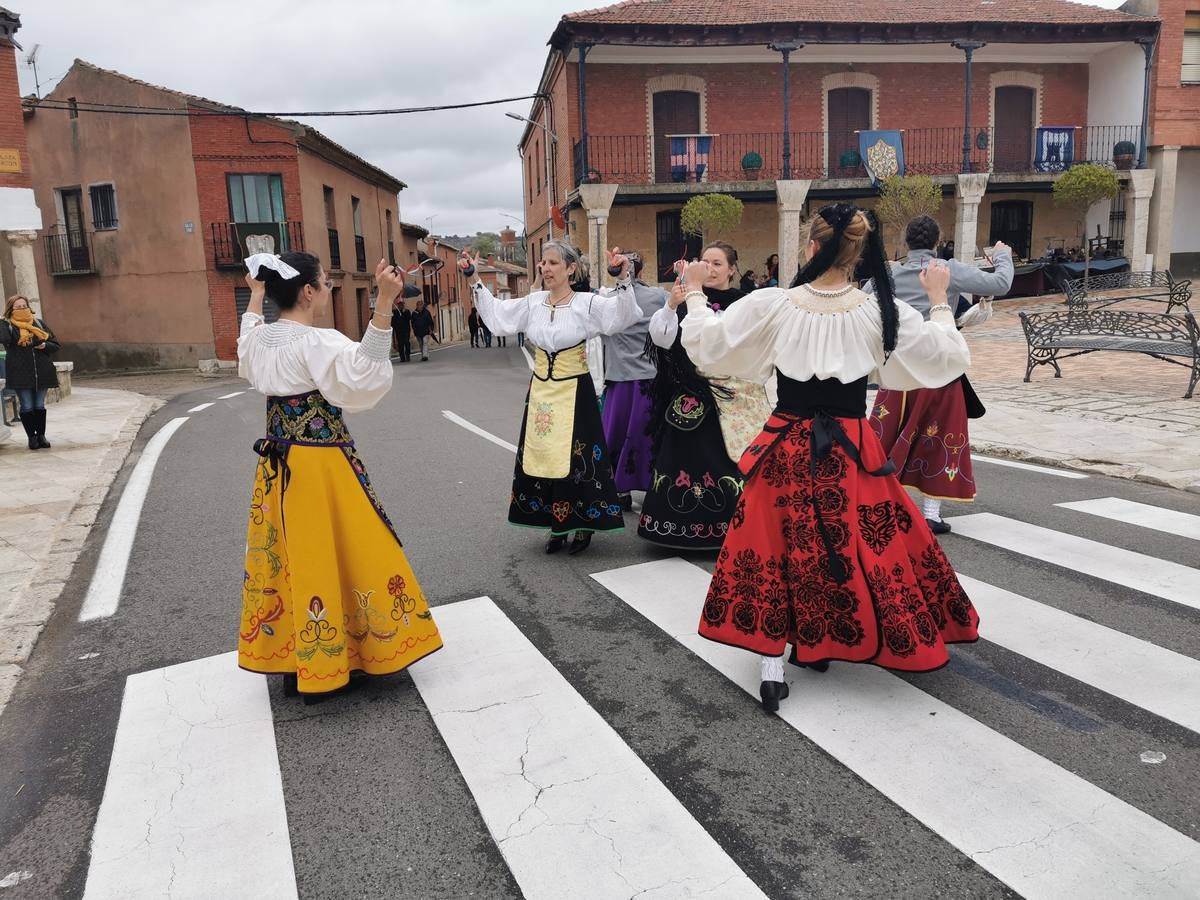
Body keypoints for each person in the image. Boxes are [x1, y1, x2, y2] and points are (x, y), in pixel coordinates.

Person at [678, 204, 978, 713]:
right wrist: (939, 301)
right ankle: (827, 640)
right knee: (859, 545)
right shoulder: (878, 310)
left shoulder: (774, 303)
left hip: (785, 442)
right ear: (858, 251)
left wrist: (696, 297)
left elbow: (708, 346)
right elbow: (945, 358)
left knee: (774, 547)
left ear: (810, 247)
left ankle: (775, 665)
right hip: (852, 449)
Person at [236, 252, 442, 700]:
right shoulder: (316, 341)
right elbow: (364, 371)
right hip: (320, 462)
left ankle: (300, 660)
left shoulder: (260, 341)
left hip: (276, 464)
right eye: (326, 283)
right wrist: (384, 304)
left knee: (293, 555)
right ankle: (340, 659)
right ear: (308, 291)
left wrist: (254, 297)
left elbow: (246, 332)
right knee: (355, 544)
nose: (328, 289)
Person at [461, 241, 639, 556]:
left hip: (575, 391)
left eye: (554, 263)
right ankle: (556, 524)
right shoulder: (533, 304)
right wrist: (474, 278)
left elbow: (621, 317)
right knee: (542, 455)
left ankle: (582, 524)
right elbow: (498, 316)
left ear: (571, 269)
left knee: (578, 462)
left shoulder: (587, 304)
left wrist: (622, 278)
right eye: (543, 263)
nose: (546, 268)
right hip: (542, 390)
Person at [867, 216, 1011, 534]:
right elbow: (1001, 283)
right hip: (941, 368)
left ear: (906, 242)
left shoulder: (889, 273)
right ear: (938, 240)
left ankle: (883, 504)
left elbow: (864, 304)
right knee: (939, 438)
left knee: (886, 436)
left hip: (900, 370)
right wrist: (1002, 254)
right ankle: (931, 513)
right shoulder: (947, 270)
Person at [639, 241, 772, 550]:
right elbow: (660, 339)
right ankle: (676, 527)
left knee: (730, 459)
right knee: (685, 453)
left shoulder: (744, 303)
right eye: (706, 262)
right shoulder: (685, 300)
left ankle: (736, 528)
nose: (710, 269)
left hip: (735, 394)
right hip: (693, 391)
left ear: (732, 270)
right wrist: (671, 304)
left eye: (717, 264)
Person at [599, 249, 668, 508]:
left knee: (614, 437)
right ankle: (654, 488)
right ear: (640, 271)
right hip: (650, 379)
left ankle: (619, 491)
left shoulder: (606, 299)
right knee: (649, 438)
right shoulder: (659, 296)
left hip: (618, 379)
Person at [0, 295, 59, 450]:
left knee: (39, 405)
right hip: (20, 373)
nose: (21, 309)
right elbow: (4, 339)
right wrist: (1, 322)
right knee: (27, 406)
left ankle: (41, 436)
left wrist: (45, 345)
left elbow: (55, 344)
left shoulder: (38, 323)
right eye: (17, 307)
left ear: (28, 306)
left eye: (24, 305)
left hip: (42, 371)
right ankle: (31, 438)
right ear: (11, 309)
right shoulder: (9, 326)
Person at [392, 298, 413, 362]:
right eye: (399, 305)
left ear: (403, 305)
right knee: (400, 344)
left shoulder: (407, 311)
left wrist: (404, 313)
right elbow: (393, 321)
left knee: (407, 343)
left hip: (406, 330)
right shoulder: (395, 312)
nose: (400, 306)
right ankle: (402, 357)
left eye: (401, 305)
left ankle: (408, 356)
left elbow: (409, 318)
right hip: (398, 330)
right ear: (398, 305)